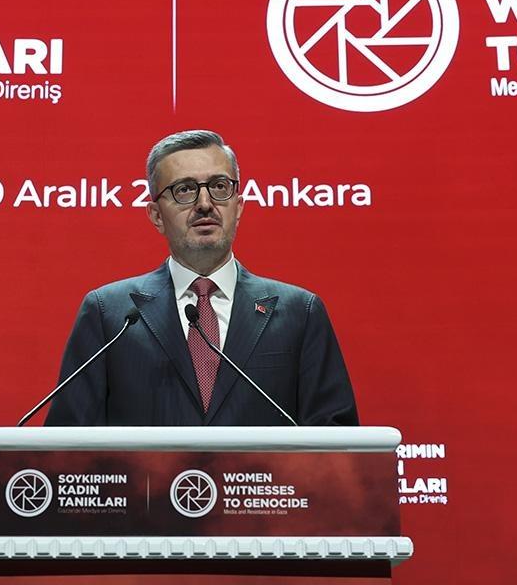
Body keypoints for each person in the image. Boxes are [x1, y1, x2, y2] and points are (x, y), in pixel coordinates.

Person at [43, 130, 357, 426]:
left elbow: (337, 441)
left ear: (238, 207)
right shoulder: (109, 314)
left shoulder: (299, 313)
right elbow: (69, 444)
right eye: (184, 190)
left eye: (219, 186)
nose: (205, 204)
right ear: (156, 215)